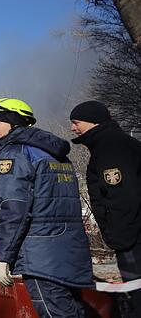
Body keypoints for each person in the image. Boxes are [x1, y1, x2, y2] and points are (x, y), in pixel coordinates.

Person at [0, 98, 93, 318]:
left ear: (14, 121)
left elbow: (14, 209)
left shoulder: (14, 154)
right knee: (73, 311)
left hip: (40, 257)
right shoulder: (56, 154)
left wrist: (2, 257)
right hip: (69, 251)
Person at [70, 100, 141, 315]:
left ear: (93, 122)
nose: (73, 128)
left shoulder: (111, 148)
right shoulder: (111, 144)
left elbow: (122, 196)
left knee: (137, 293)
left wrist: (119, 237)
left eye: (76, 122)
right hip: (133, 236)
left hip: (132, 239)